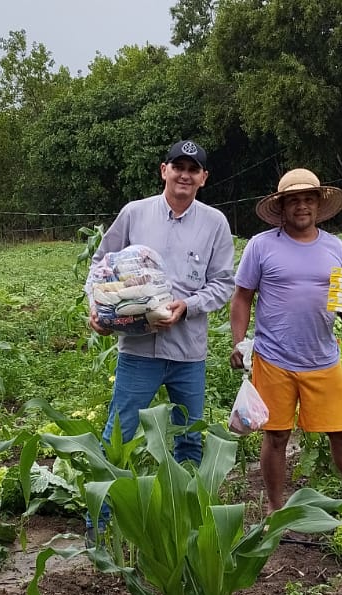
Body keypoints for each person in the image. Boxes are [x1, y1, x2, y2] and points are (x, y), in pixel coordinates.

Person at [229, 168, 342, 512]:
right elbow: (242, 296)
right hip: (273, 357)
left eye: (308, 199)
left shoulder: (335, 248)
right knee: (275, 436)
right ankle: (276, 508)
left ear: (318, 205)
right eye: (294, 201)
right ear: (282, 207)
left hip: (323, 357)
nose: (302, 207)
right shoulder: (261, 246)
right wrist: (238, 341)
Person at [89, 140, 236, 465]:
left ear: (203, 177)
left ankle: (186, 513)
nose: (184, 175)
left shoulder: (215, 223)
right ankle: (101, 516)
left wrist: (188, 307)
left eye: (192, 170)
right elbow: (100, 264)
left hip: (188, 353)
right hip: (139, 350)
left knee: (189, 438)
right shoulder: (135, 213)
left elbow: (223, 283)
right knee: (119, 434)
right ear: (164, 170)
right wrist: (98, 309)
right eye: (178, 167)